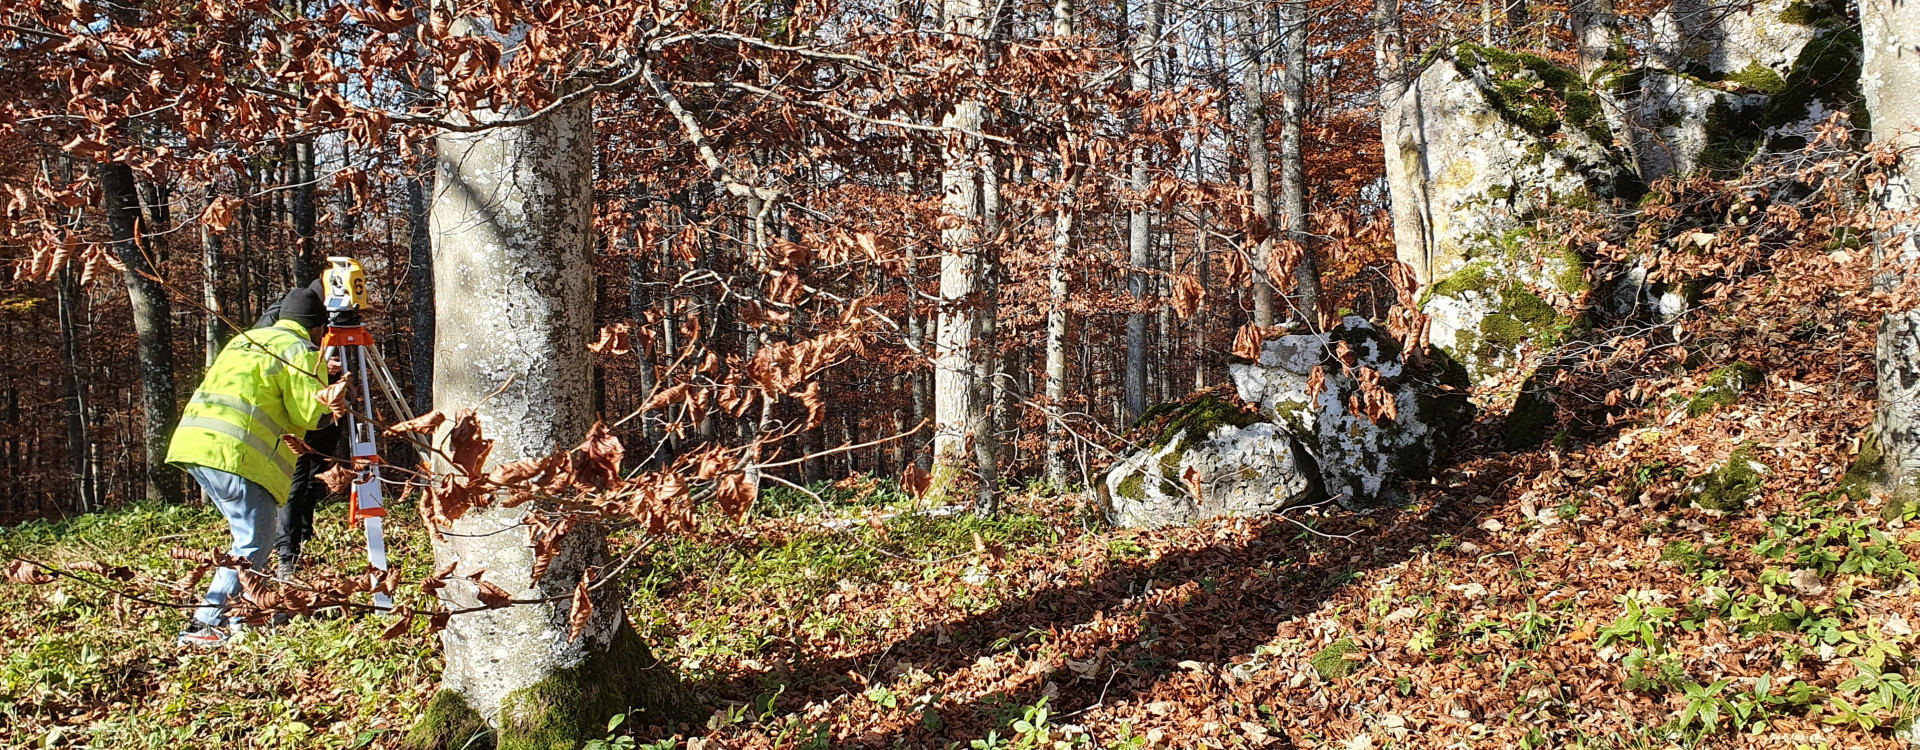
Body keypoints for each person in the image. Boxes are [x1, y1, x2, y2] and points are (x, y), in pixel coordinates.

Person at [167, 286, 333, 647]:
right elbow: (312, 414)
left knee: (246, 535)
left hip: (197, 443)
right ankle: (206, 623)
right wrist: (334, 389)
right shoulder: (300, 350)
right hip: (234, 453)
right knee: (254, 538)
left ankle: (236, 613)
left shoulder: (249, 339)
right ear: (318, 328)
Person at [256, 280, 343, 579]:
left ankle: (303, 536)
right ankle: (286, 552)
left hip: (320, 402)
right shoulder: (281, 322)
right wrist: (317, 365)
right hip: (294, 409)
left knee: (314, 471)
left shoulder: (311, 318)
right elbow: (277, 362)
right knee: (295, 477)